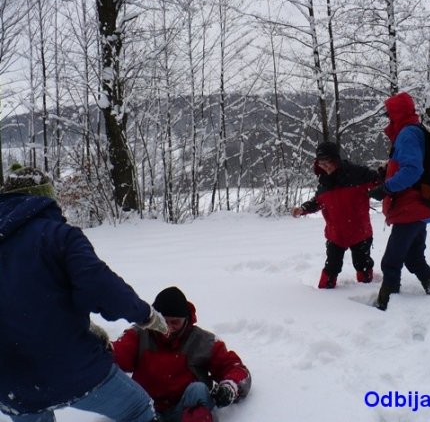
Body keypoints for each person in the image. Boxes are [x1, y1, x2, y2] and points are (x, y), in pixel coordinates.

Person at [0, 163, 169, 422]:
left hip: (11, 384)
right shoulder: (59, 236)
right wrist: (145, 314)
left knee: (29, 407)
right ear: (45, 197)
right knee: (137, 409)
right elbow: (101, 288)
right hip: (70, 367)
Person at [112, 286, 252, 422]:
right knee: (131, 398)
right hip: (147, 410)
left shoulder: (203, 341)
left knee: (198, 389)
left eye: (175, 322)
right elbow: (114, 356)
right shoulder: (138, 335)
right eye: (163, 322)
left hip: (186, 408)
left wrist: (230, 387)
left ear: (186, 320)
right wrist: (103, 348)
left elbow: (235, 368)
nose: (168, 328)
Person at [369, 92, 430, 311]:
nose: (387, 118)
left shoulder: (407, 134)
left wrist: (386, 188)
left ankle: (387, 303)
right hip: (419, 206)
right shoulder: (413, 130)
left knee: (391, 261)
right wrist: (387, 171)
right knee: (414, 258)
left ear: (397, 113)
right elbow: (408, 165)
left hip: (410, 208)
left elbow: (413, 170)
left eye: (389, 114)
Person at [291, 141, 383, 288]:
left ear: (336, 160)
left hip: (360, 231)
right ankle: (324, 293)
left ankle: (366, 291)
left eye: (328, 161)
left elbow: (379, 180)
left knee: (363, 264)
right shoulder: (324, 183)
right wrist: (303, 209)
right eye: (321, 162)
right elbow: (318, 202)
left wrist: (385, 178)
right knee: (331, 267)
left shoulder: (357, 174)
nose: (325, 166)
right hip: (336, 234)